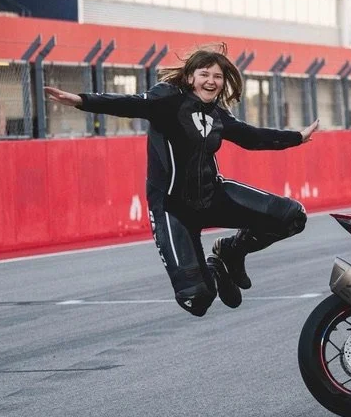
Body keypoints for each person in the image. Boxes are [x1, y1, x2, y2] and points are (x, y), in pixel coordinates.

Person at [45, 44, 319, 317]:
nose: (211, 81)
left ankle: (231, 251)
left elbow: (251, 137)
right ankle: (214, 271)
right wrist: (81, 100)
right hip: (172, 209)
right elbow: (130, 103)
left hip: (213, 196)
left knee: (292, 217)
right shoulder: (167, 99)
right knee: (197, 299)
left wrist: (296, 137)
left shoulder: (218, 114)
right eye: (204, 74)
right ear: (190, 77)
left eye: (217, 76)